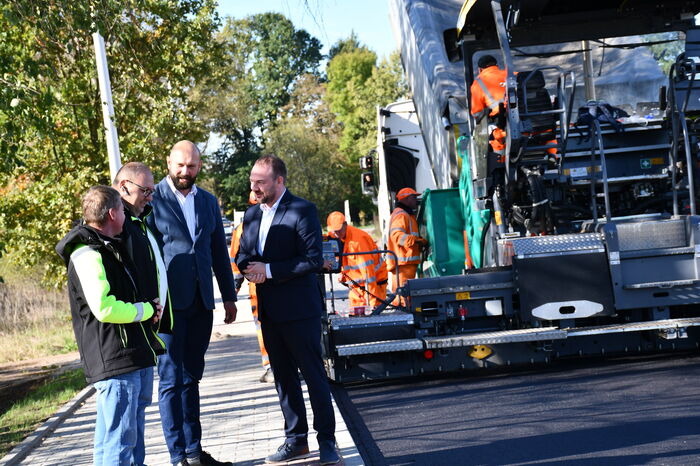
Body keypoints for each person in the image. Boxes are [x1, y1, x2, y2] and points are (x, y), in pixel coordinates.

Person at [236, 155, 340, 465]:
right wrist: (247, 268)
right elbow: (242, 252)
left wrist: (267, 270)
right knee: (283, 379)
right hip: (269, 312)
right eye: (253, 180)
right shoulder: (252, 214)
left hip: (299, 311)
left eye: (261, 181)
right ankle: (296, 441)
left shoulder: (302, 210)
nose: (254, 187)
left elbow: (311, 259)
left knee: (314, 376)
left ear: (279, 181)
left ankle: (327, 442)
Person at [56, 186, 164, 466]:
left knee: (117, 438)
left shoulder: (108, 245)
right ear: (114, 213)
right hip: (114, 358)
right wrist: (144, 310)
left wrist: (147, 307)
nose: (127, 218)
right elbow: (104, 308)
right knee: (119, 441)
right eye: (123, 211)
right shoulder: (87, 253)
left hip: (129, 353)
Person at [146, 140, 237, 466]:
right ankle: (177, 456)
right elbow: (144, 256)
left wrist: (228, 296)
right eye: (181, 165)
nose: (186, 171)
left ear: (200, 166)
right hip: (167, 307)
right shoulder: (152, 199)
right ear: (169, 162)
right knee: (171, 379)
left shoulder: (208, 202)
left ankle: (194, 452)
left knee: (192, 378)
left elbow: (217, 253)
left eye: (192, 166)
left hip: (201, 305)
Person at [229, 192, 273, 383]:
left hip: (258, 286)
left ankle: (272, 367)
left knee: (264, 328)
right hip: (264, 285)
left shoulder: (241, 229)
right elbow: (236, 262)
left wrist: (233, 292)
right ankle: (276, 366)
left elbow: (235, 264)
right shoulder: (247, 228)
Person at [325, 211, 387, 312]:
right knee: (355, 316)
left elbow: (369, 275)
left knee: (371, 319)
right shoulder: (337, 237)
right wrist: (343, 275)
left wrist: (372, 302)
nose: (336, 234)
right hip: (356, 288)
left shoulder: (359, 241)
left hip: (373, 287)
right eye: (334, 231)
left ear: (345, 225)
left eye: (338, 230)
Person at [386, 187, 427, 303]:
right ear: (407, 199)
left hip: (405, 263)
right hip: (403, 263)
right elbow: (397, 236)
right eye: (414, 197)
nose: (416, 200)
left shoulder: (407, 215)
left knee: (405, 296)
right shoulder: (401, 215)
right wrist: (416, 241)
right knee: (403, 298)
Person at [470, 54, 508, 155]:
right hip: (531, 119)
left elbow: (476, 113)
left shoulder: (478, 83)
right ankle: (552, 153)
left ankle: (501, 161)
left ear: (480, 70)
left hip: (504, 125)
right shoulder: (512, 74)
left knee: (487, 134)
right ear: (496, 66)